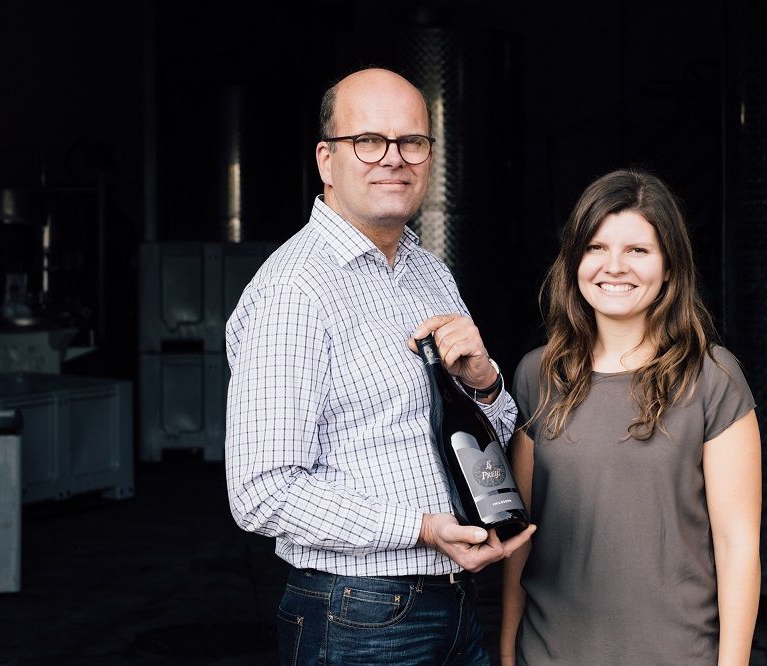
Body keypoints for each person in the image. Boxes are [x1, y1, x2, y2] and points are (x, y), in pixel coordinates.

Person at [224, 67, 535, 666]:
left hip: (458, 603)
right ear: (327, 159)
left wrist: (485, 383)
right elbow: (260, 491)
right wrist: (420, 528)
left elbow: (485, 439)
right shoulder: (294, 290)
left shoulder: (429, 273)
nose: (394, 158)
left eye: (411, 141)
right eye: (368, 140)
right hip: (357, 616)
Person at [500, 168, 761, 666]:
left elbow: (738, 546)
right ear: (574, 261)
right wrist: (508, 649)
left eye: (638, 250)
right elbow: (521, 534)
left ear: (669, 267)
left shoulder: (712, 377)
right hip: (549, 654)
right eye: (596, 247)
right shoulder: (538, 374)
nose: (614, 266)